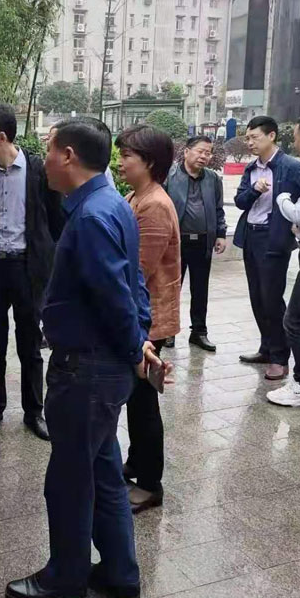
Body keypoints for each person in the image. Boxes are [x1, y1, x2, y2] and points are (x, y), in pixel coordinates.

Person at [5, 119, 161, 598]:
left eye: (48, 150)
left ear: (69, 156)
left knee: (68, 480)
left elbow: (115, 296)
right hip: (101, 366)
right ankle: (119, 573)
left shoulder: (93, 216)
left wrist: (136, 347)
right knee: (104, 471)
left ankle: (66, 576)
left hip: (87, 371)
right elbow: (133, 286)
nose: (43, 161)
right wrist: (139, 340)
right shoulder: (110, 205)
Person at [0, 103, 65, 440]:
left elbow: (56, 222)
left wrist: (48, 264)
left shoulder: (40, 172)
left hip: (29, 270)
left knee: (30, 346)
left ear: (1, 137)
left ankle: (34, 412)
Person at [115, 124, 181, 514]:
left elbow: (137, 270)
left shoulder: (154, 204)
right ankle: (136, 463)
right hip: (141, 316)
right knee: (136, 398)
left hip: (148, 319)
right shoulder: (136, 196)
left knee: (143, 403)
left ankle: (151, 484)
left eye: (127, 156)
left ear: (150, 162)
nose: (120, 162)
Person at [235, 116, 300, 381]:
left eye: (254, 137)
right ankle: (266, 348)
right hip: (250, 236)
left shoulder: (291, 166)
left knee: (271, 298)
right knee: (256, 296)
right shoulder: (251, 168)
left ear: (272, 136)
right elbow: (240, 201)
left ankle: (279, 358)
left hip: (272, 239)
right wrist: (254, 190)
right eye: (247, 138)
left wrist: (297, 219)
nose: (250, 142)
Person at [164, 136, 227, 351]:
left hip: (203, 242)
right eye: (200, 151)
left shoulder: (213, 179)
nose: (204, 156)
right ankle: (168, 331)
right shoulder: (169, 176)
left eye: (208, 153)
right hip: (176, 242)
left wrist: (220, 234)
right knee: (172, 288)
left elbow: (218, 209)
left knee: (200, 290)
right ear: (186, 151)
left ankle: (199, 332)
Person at [268, 116, 300, 406]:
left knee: (295, 320)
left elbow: (299, 214)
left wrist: (281, 199)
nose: (295, 142)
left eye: (296, 136)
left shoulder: (293, 167)